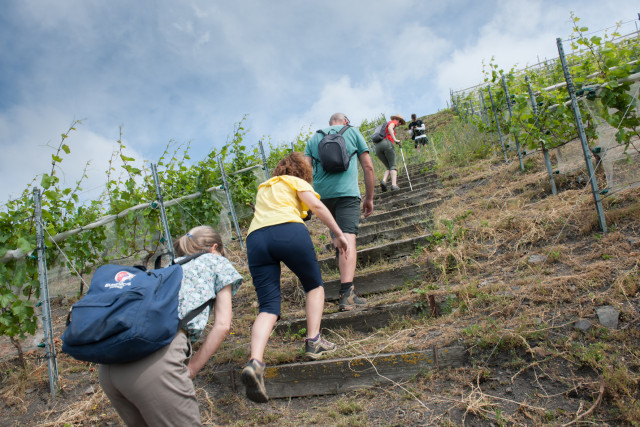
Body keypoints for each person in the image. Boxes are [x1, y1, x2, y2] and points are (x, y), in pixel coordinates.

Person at [99, 226, 243, 426]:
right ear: (214, 248)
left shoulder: (166, 270)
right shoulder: (216, 261)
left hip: (110, 367)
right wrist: (191, 368)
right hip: (155, 362)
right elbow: (223, 325)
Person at [241, 152, 350, 403]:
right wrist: (338, 233)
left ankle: (255, 361)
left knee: (268, 306)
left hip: (256, 239)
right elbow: (317, 207)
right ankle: (313, 341)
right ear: (302, 171)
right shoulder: (295, 181)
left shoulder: (264, 187)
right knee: (313, 285)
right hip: (287, 231)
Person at [304, 113, 375, 311]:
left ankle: (345, 289)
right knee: (348, 238)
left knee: (338, 239)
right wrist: (369, 198)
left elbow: (305, 172)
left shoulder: (314, 137)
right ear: (345, 121)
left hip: (322, 198)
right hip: (347, 194)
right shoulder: (352, 131)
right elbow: (368, 166)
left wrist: (306, 202)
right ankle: (346, 295)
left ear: (329, 123)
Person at [375, 114, 405, 192]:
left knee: (388, 166)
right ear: (397, 119)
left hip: (378, 147)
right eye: (400, 122)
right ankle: (394, 185)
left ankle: (384, 181)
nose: (400, 124)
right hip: (387, 144)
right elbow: (390, 128)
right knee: (393, 165)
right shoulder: (393, 122)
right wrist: (395, 139)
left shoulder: (384, 126)